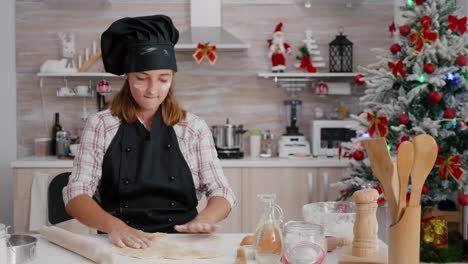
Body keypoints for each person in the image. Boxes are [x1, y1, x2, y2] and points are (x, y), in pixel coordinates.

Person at [63, 14, 236, 249]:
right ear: (127, 76)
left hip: (182, 244)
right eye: (142, 79)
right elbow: (76, 194)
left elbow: (221, 190)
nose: (152, 90)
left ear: (172, 78)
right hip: (119, 243)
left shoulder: (192, 127)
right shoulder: (102, 124)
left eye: (163, 79)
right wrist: (114, 226)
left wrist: (205, 218)